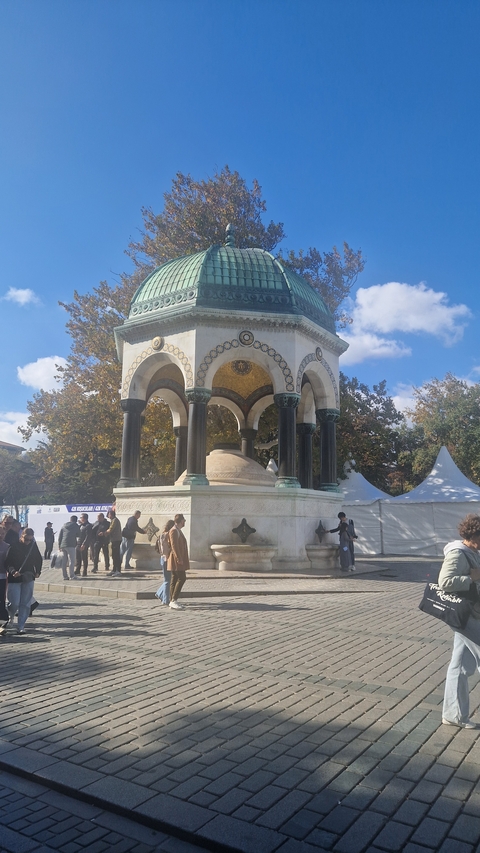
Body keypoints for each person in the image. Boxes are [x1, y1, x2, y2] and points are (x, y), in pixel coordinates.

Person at [438, 514, 480, 729]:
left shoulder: (473, 551)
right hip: (466, 615)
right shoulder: (458, 553)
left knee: (461, 666)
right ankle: (454, 715)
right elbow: (445, 582)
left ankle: (453, 715)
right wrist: (471, 578)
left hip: (473, 613)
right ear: (474, 534)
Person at [6, 528, 42, 634]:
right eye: (26, 539)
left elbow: (38, 559)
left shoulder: (32, 546)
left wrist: (38, 571)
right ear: (22, 535)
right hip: (15, 578)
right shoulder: (13, 545)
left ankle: (21, 625)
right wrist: (13, 571)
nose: (28, 542)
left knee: (26, 603)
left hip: (28, 576)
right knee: (14, 603)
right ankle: (10, 616)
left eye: (30, 540)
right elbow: (7, 562)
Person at [168, 514, 189, 610]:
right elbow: (174, 546)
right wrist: (179, 558)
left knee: (175, 578)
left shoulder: (177, 530)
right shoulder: (173, 531)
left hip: (177, 559)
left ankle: (172, 600)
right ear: (181, 521)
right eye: (184, 520)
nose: (184, 522)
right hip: (176, 560)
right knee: (182, 578)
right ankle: (173, 600)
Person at [155, 520, 175, 605]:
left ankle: (160, 594)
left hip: (162, 558)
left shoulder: (162, 535)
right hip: (167, 558)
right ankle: (165, 599)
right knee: (168, 580)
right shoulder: (168, 535)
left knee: (167, 579)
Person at [58, 515, 81, 581]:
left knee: (64, 561)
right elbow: (79, 534)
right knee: (72, 561)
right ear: (76, 520)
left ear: (70, 519)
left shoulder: (64, 525)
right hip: (71, 545)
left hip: (63, 545)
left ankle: (65, 576)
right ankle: (72, 576)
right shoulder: (76, 525)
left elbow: (60, 536)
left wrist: (59, 545)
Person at [106, 509, 122, 576]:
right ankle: (114, 569)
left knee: (116, 555)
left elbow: (111, 529)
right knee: (114, 555)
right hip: (114, 539)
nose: (108, 515)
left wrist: (105, 533)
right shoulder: (113, 520)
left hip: (116, 539)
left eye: (109, 514)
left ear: (111, 514)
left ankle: (118, 570)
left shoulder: (115, 520)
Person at [0, 525, 10, 635]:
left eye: (2, 534)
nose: (0, 536)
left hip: (2, 576)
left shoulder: (7, 546)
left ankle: (2, 622)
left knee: (1, 600)